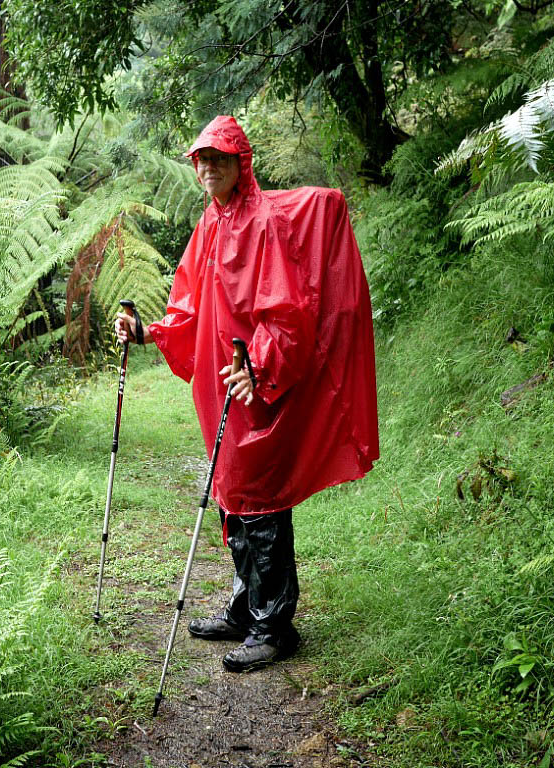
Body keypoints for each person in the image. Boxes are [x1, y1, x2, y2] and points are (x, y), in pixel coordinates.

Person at [115, 115, 378, 672]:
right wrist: (148, 331)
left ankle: (273, 625)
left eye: (218, 158)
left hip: (252, 384)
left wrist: (258, 366)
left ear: (241, 163)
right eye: (200, 159)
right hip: (219, 383)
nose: (207, 167)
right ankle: (243, 608)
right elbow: (189, 304)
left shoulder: (261, 223)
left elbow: (286, 312)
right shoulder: (211, 222)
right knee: (231, 489)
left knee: (259, 496)